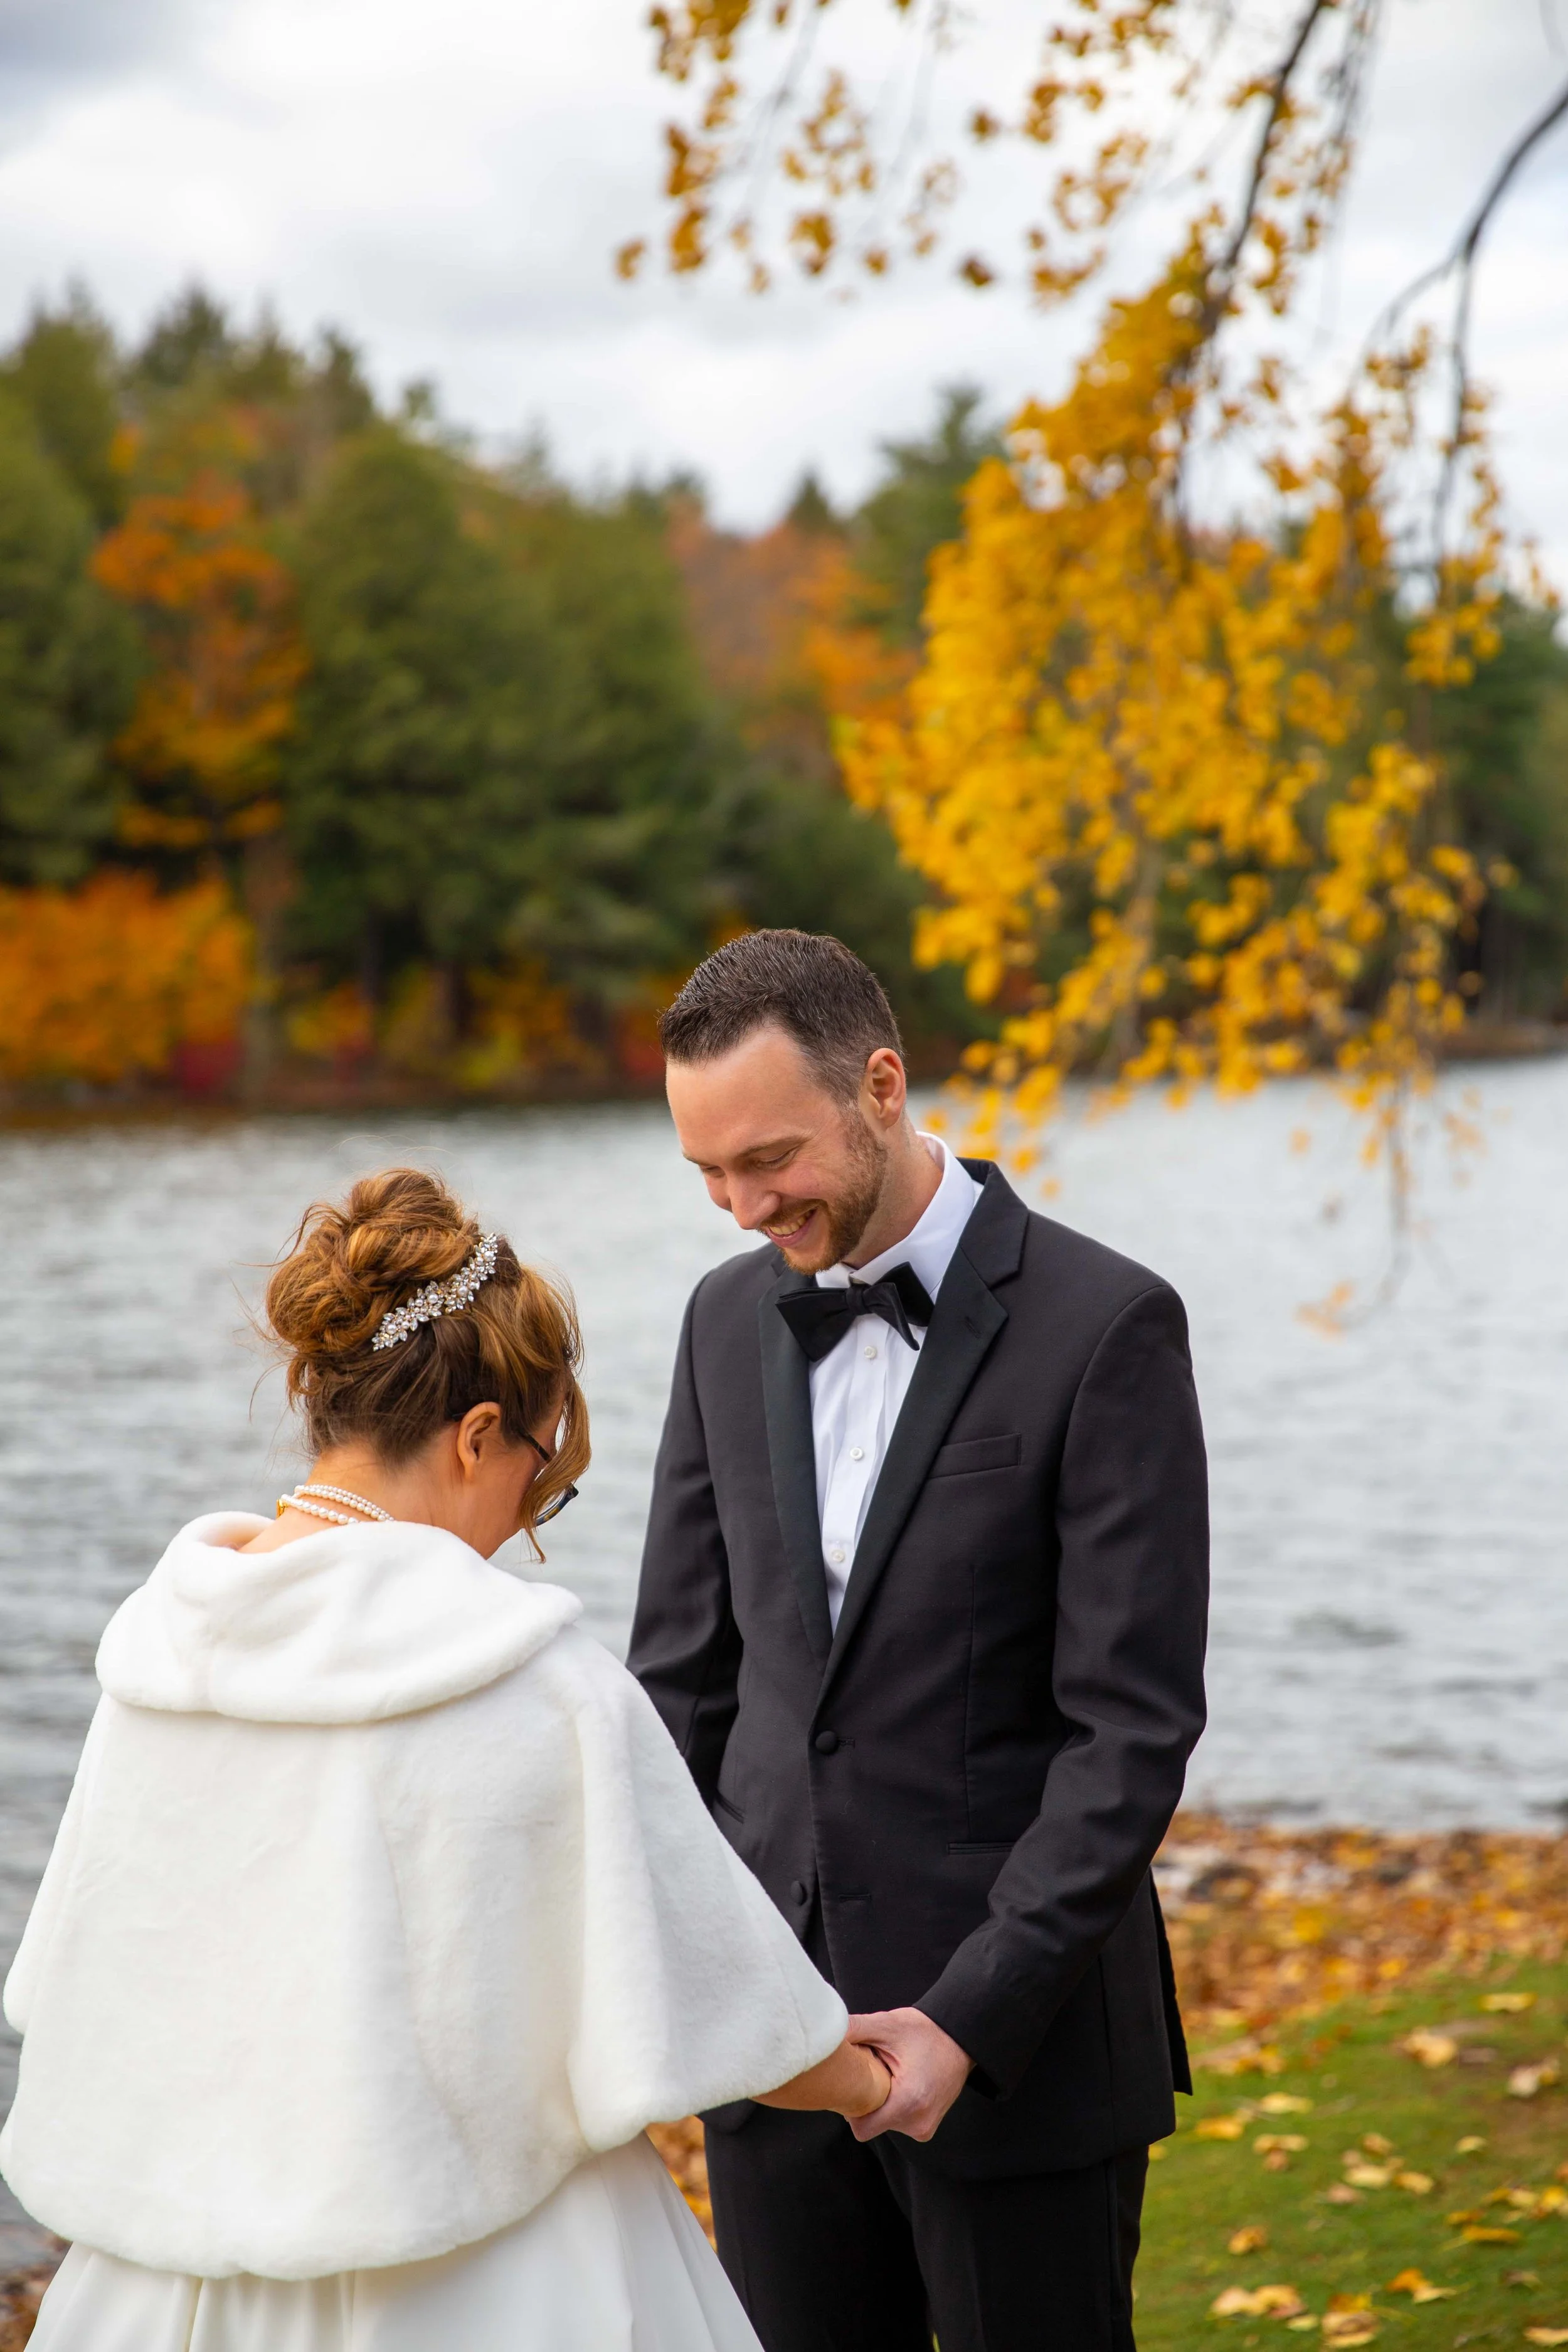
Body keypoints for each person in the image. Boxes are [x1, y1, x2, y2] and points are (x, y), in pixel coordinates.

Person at [2, 1167, 888, 2352]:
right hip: (498, 2281)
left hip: (178, 2283)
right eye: (539, 1477)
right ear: (478, 1436)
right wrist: (873, 2081)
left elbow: (71, 1986)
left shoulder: (158, 1666)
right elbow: (713, 1994)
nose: (526, 1523)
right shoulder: (536, 1678)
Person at [628, 930, 1210, 2352]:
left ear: (880, 1085)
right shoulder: (720, 1322)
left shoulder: (1106, 1325)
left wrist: (969, 2014)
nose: (741, 1205)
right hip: (774, 2051)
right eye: (706, 1173)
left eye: (767, 1159)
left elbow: (1127, 1733)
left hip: (1021, 2055)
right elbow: (679, 1688)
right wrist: (698, 1982)